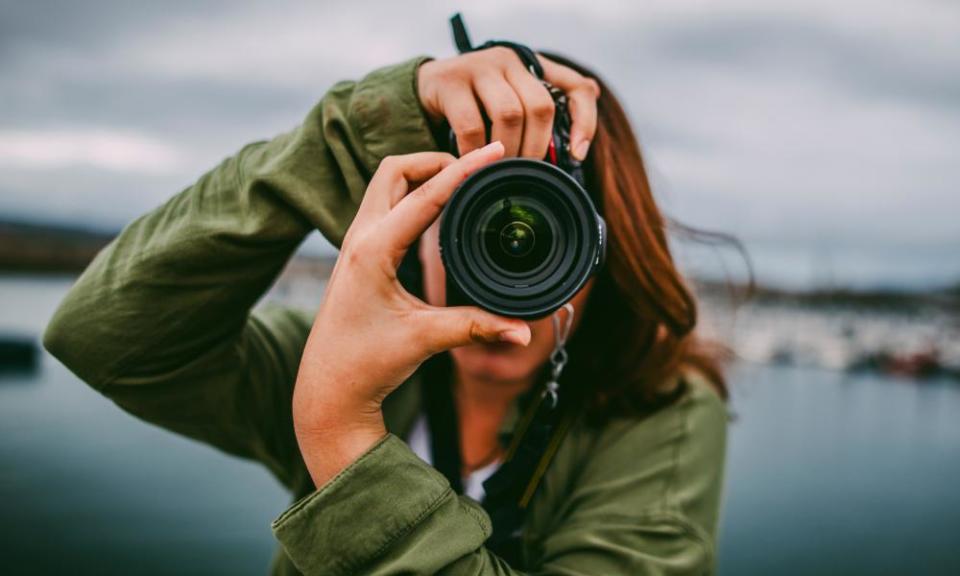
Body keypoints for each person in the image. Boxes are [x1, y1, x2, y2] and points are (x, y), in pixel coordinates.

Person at [45, 46, 729, 575]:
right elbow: (103, 338)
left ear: (605, 251)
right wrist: (341, 136)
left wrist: (341, 434)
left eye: (547, 235)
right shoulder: (331, 361)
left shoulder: (662, 409)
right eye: (470, 221)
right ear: (412, 229)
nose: (498, 278)